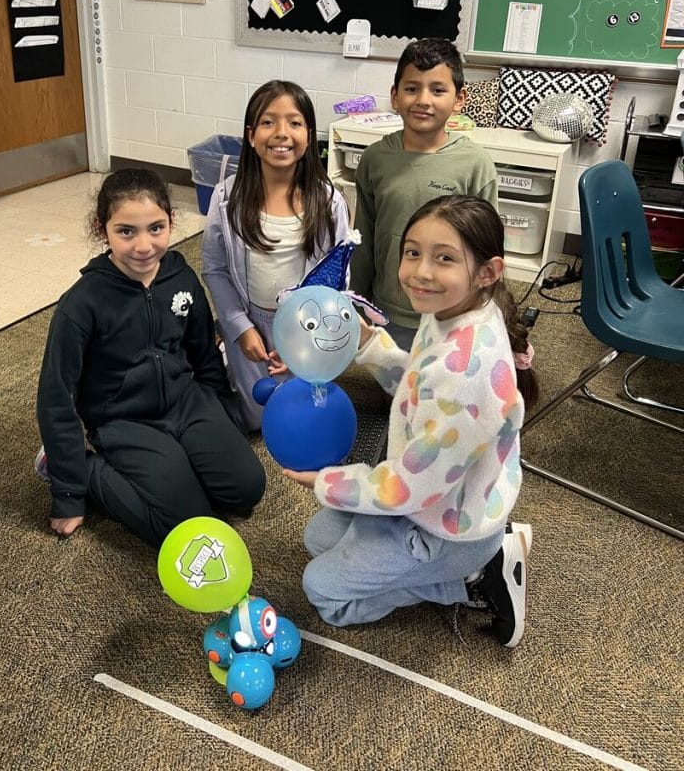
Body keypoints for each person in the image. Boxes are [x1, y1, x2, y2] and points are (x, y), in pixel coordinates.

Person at [285, 195, 538, 647]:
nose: (421, 271)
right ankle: (473, 559)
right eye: (413, 252)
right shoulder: (453, 311)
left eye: (444, 258)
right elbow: (422, 386)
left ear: (487, 272)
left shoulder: (465, 376)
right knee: (319, 538)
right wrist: (370, 346)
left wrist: (326, 482)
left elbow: (408, 488)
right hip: (439, 494)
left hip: (441, 528)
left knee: (323, 591)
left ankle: (475, 577)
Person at [35, 168, 266, 547]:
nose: (144, 245)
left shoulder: (181, 277)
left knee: (246, 492)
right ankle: (85, 469)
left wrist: (225, 422)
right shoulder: (81, 304)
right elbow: (55, 396)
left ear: (171, 222)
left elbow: (205, 355)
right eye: (127, 231)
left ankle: (181, 465)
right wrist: (69, 492)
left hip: (186, 405)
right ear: (102, 229)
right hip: (123, 420)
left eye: (156, 228)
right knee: (186, 528)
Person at [202, 79, 350, 432]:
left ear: (310, 135)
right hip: (251, 323)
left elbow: (338, 276)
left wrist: (301, 337)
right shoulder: (226, 198)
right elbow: (215, 268)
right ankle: (225, 350)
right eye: (269, 122)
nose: (281, 133)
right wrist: (239, 328)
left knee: (303, 417)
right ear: (251, 136)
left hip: (306, 325)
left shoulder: (328, 201)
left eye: (294, 123)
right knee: (256, 416)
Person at [350, 38, 498, 351]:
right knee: (395, 384)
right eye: (412, 88)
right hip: (390, 307)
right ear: (394, 96)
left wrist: (485, 313)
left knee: (444, 389)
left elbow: (486, 248)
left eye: (438, 90)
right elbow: (364, 236)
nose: (423, 100)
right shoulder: (375, 159)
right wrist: (356, 299)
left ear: (459, 99)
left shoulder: (476, 165)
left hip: (450, 309)